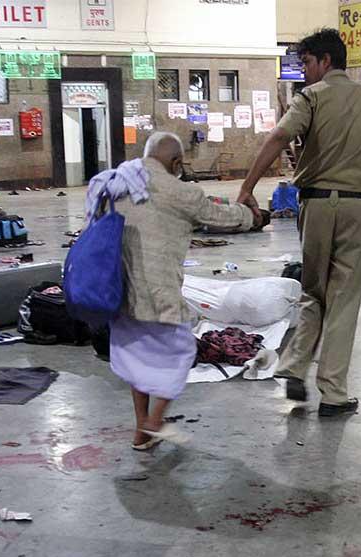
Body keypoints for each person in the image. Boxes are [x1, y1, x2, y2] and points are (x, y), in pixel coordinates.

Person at [237, 28, 361, 417]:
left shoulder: (311, 97)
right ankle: (333, 394)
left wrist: (246, 190)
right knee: (344, 299)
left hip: (315, 205)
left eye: (307, 63)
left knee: (314, 291)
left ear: (326, 61)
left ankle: (294, 366)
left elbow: (279, 137)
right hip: (360, 207)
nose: (305, 72)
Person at [108, 132, 258, 450]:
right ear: (176, 162)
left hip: (119, 290)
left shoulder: (118, 180)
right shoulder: (178, 190)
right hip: (159, 292)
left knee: (138, 360)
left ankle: (140, 432)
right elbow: (221, 216)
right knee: (181, 353)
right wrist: (249, 213)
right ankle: (154, 422)